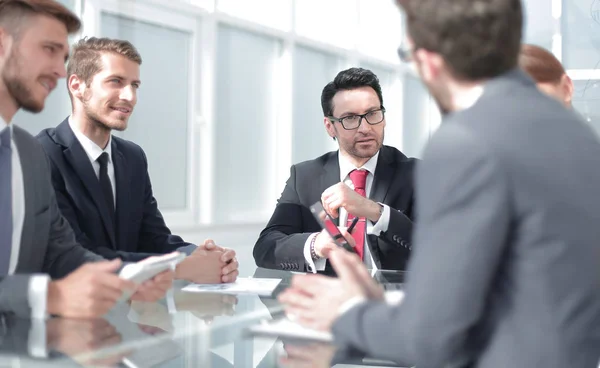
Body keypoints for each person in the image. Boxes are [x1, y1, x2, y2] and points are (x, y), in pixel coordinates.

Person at [279, 0, 600, 366]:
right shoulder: (577, 135)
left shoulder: (468, 139)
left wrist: (346, 312)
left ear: (429, 60)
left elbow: (429, 336)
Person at [0, 0, 173, 319]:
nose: (58, 69)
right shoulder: (45, 150)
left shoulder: (26, 152)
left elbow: (62, 251)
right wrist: (46, 296)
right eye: (48, 49)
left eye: (63, 56)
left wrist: (131, 279)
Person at [36, 37, 238, 284]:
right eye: (116, 82)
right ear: (77, 85)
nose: (130, 96)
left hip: (133, 312)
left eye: (135, 85)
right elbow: (74, 256)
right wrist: (181, 268)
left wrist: (205, 257)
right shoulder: (42, 155)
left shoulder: (133, 157)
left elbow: (153, 238)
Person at [253, 67, 416, 272]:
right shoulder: (304, 177)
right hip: (329, 300)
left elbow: (436, 245)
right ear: (330, 126)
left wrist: (375, 211)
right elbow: (266, 247)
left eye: (372, 114)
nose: (365, 128)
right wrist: (316, 245)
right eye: (350, 118)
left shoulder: (417, 174)